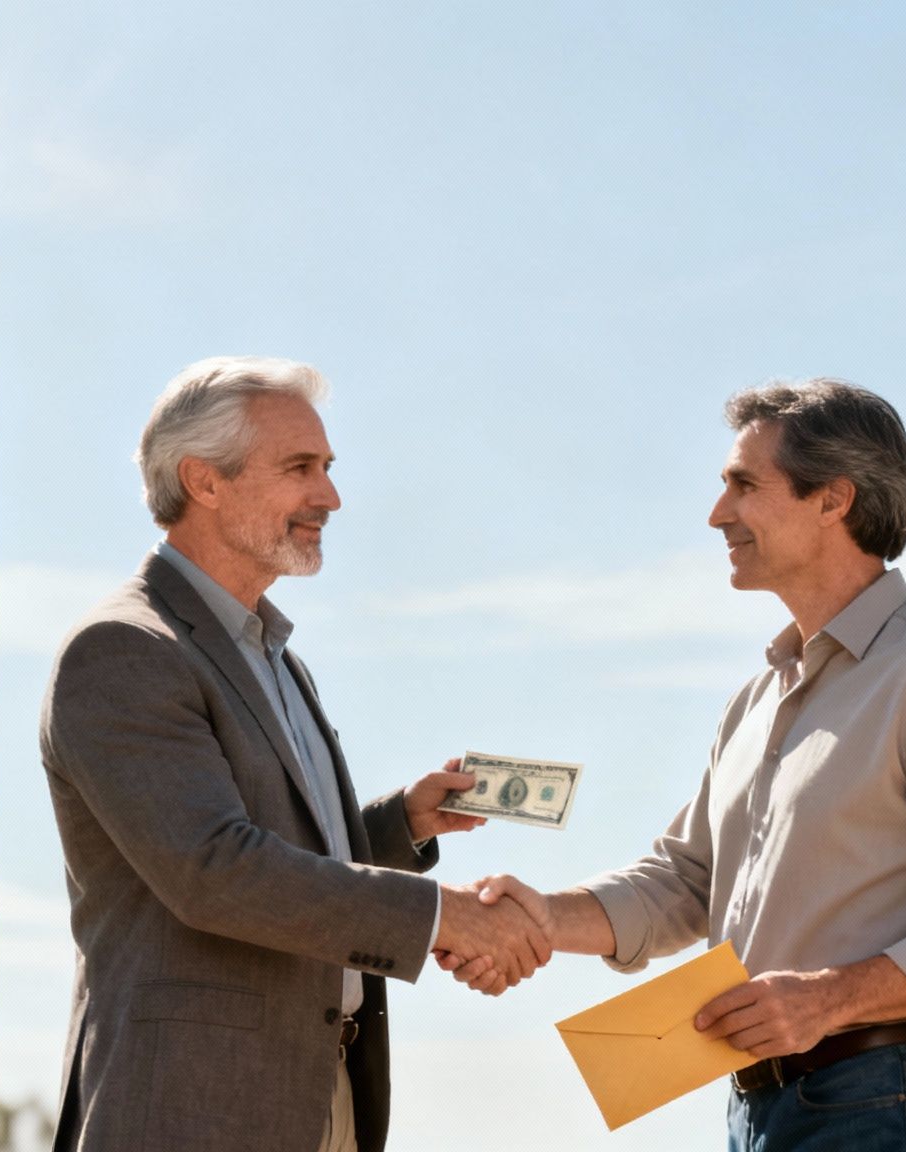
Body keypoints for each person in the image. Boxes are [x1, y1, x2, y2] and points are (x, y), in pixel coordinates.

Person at [446, 379, 906, 1150]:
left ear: (833, 499)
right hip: (758, 1108)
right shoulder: (754, 701)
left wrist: (832, 999)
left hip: (890, 1100)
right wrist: (546, 917)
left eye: (744, 485)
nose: (719, 514)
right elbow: (684, 885)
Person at [39, 356, 551, 1152]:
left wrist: (400, 825)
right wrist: (444, 918)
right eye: (300, 469)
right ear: (204, 481)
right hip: (192, 1107)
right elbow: (214, 872)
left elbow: (282, 849)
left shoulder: (275, 655)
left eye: (328, 468)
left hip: (323, 1092)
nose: (330, 496)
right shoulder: (124, 649)